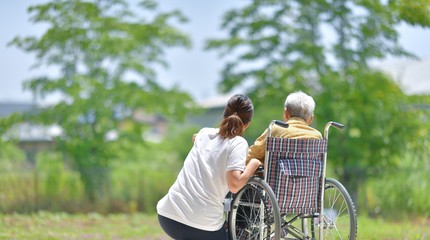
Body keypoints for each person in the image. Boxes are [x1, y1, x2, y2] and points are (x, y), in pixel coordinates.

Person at [157, 94, 262, 240]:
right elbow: (234, 184)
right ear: (247, 123)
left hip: (168, 216)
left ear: (224, 115)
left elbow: (199, 139)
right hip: (202, 225)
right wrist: (253, 164)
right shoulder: (238, 142)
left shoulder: (204, 133)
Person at [246, 90, 322, 165]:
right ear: (311, 119)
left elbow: (255, 153)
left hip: (275, 177)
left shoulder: (276, 129)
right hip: (309, 177)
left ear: (286, 113)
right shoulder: (317, 136)